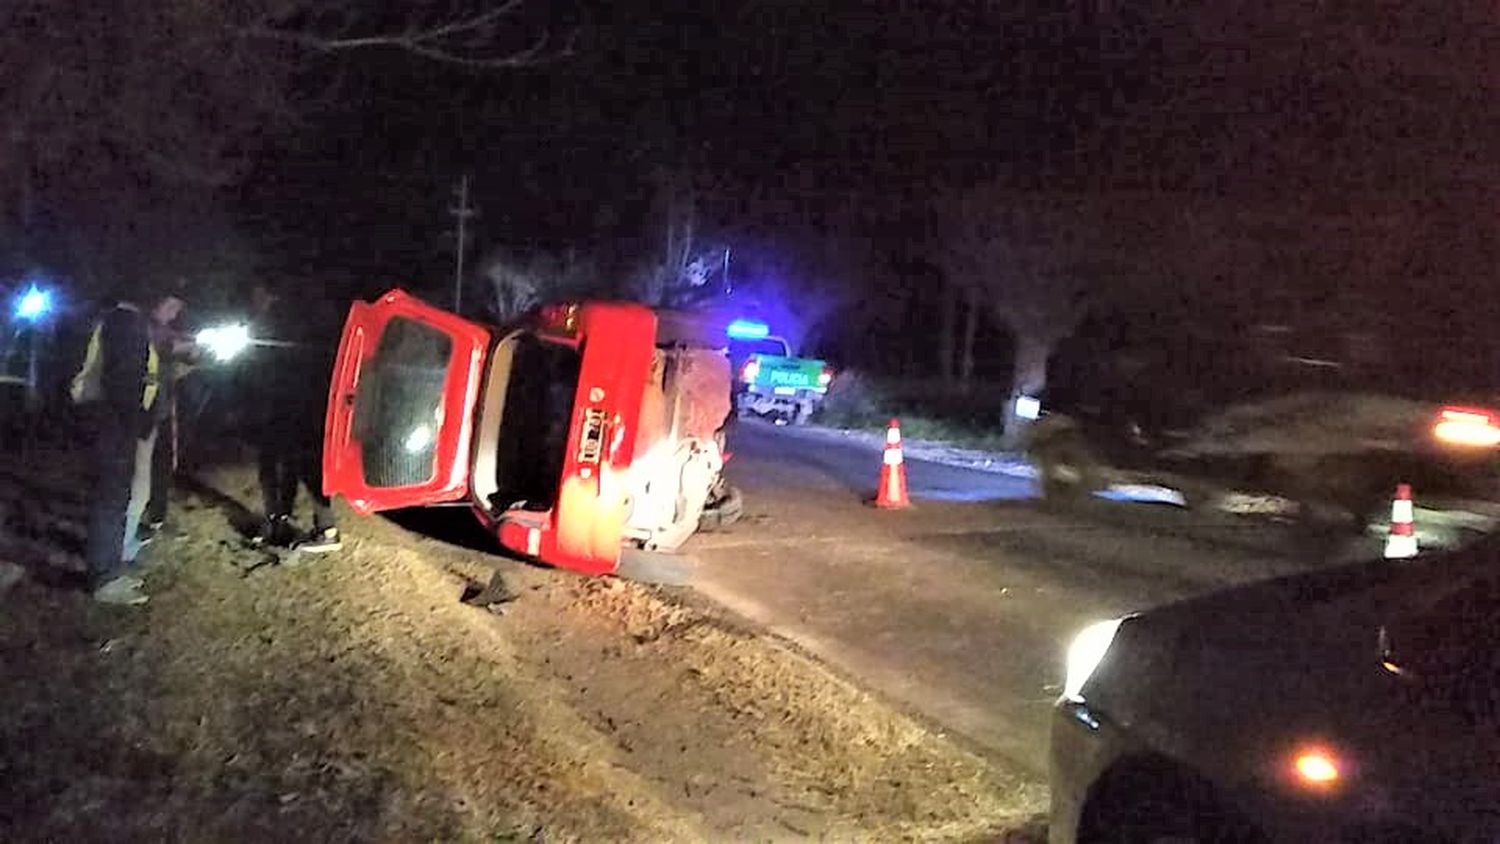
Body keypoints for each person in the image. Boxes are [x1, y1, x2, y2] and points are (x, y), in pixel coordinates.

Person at [74, 283, 185, 605]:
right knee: (110, 497)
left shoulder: (117, 320)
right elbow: (124, 380)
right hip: (114, 422)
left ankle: (110, 568)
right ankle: (104, 577)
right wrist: (135, 423)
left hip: (111, 420)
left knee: (115, 495)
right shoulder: (125, 322)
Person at [243, 281, 341, 552]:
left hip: (289, 405)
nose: (254, 299)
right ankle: (280, 519)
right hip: (287, 405)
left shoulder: (278, 322)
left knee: (293, 465)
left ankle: (317, 526)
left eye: (258, 294)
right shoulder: (288, 322)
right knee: (286, 465)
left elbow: (268, 365)